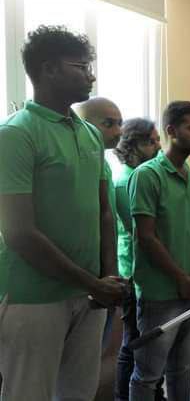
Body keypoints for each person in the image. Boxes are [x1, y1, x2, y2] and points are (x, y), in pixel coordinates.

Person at [0, 25, 125, 400]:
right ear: (48, 69)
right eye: (81, 66)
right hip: (33, 298)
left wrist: (109, 276)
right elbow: (19, 233)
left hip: (89, 294)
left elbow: (105, 212)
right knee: (29, 394)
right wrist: (94, 283)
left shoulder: (88, 133)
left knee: (78, 393)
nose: (91, 74)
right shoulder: (16, 133)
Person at [128, 101, 190, 401]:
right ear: (171, 131)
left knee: (182, 368)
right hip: (161, 294)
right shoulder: (147, 176)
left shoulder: (188, 174)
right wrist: (179, 277)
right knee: (148, 376)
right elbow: (146, 238)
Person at [112, 118, 163, 401]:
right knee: (133, 343)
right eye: (151, 142)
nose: (158, 147)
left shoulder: (139, 174)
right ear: (133, 145)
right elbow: (143, 231)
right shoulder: (127, 179)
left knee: (148, 341)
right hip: (134, 269)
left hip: (145, 269)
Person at [75, 96, 124, 350]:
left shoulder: (103, 165)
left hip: (101, 277)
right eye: (108, 124)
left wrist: (110, 273)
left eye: (120, 124)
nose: (118, 132)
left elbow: (108, 220)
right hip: (75, 280)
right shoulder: (75, 164)